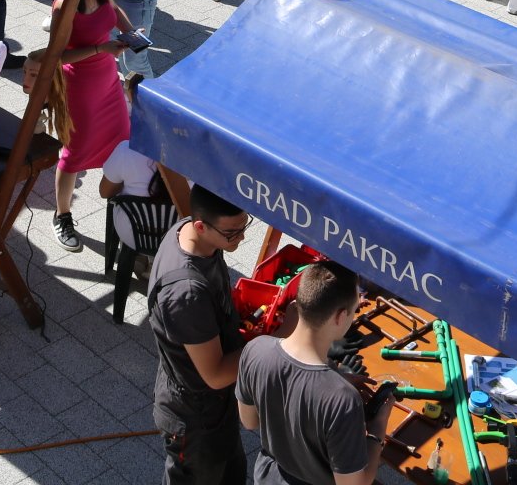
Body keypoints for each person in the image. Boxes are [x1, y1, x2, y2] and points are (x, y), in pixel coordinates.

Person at [237, 261, 393, 485]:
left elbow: (249, 421)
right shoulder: (343, 400)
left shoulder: (255, 350)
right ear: (340, 317)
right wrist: (377, 427)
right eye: (354, 311)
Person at [25, 0, 131, 253]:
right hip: (80, 85)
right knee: (76, 151)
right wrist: (101, 49)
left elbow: (115, 11)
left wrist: (129, 31)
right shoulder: (64, 4)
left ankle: (122, 207)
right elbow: (57, 55)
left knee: (122, 141)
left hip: (108, 82)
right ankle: (63, 215)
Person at [148, 183, 251, 485]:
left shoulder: (188, 232)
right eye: (232, 233)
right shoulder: (186, 293)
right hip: (195, 421)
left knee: (231, 473)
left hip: (214, 411)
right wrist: (278, 341)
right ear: (201, 226)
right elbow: (216, 374)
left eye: (244, 226)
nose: (242, 238)